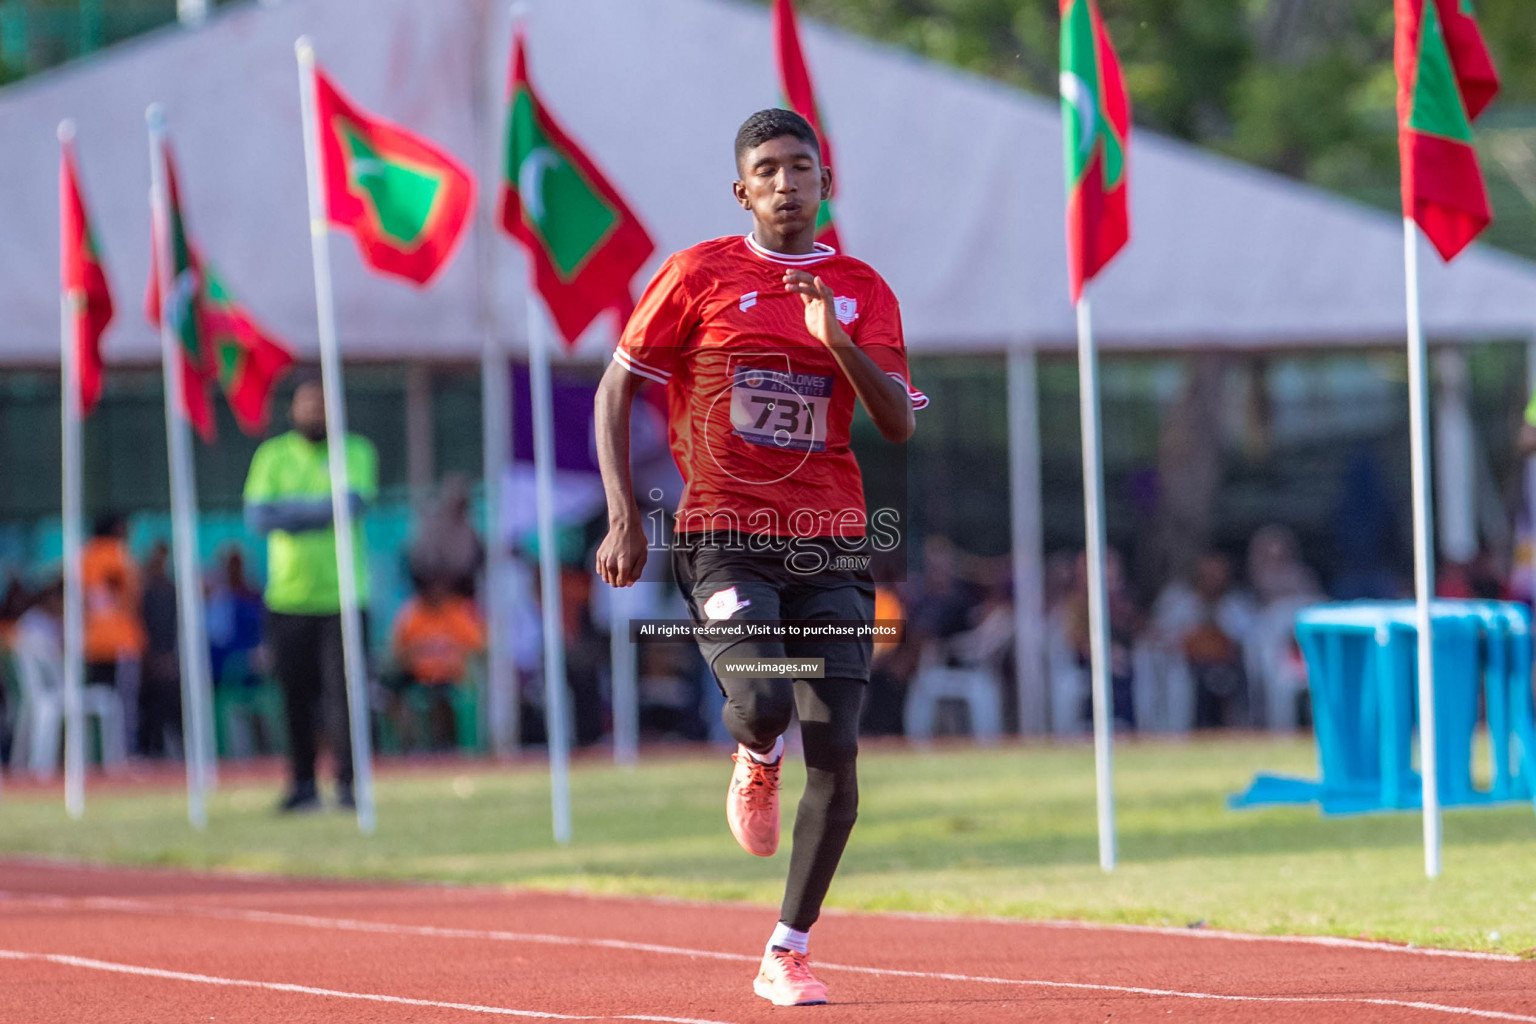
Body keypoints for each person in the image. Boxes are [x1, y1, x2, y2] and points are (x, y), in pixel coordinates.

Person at [594, 108, 923, 1007]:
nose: (787, 182)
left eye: (802, 167)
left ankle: (787, 948)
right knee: (767, 697)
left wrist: (835, 343)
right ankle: (753, 752)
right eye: (769, 169)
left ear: (825, 183)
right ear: (743, 188)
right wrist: (625, 514)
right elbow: (618, 384)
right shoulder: (698, 274)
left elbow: (895, 422)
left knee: (841, 751)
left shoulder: (861, 289)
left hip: (832, 543)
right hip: (724, 537)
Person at [244, 375, 377, 812]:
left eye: (322, 405)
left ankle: (348, 785)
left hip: (344, 596)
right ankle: (302, 783)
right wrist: (322, 509)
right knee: (293, 697)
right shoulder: (272, 455)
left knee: (345, 697)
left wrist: (292, 511)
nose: (314, 413)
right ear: (292, 410)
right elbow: (260, 517)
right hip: (287, 598)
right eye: (307, 404)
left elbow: (353, 505)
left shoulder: (354, 451)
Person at [390, 578, 485, 750]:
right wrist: (416, 656)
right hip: (418, 674)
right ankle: (408, 743)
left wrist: (452, 657)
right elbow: (398, 651)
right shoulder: (412, 613)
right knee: (392, 692)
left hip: (449, 675)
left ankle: (446, 743)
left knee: (443, 696)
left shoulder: (456, 611)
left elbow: (478, 646)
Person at [81, 512, 146, 757]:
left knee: (96, 707)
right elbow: (133, 597)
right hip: (121, 642)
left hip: (91, 644)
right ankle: (124, 755)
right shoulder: (119, 554)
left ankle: (94, 756)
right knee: (123, 705)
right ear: (118, 529)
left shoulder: (84, 556)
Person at [408, 474, 484, 600]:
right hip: (436, 594)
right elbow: (422, 562)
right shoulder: (435, 525)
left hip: (460, 595)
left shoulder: (468, 527)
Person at [138, 541, 182, 757]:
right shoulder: (143, 594)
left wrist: (168, 659)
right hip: (148, 663)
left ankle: (175, 748)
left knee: (171, 695)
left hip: (169, 662)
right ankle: (150, 750)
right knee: (150, 701)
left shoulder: (172, 593)